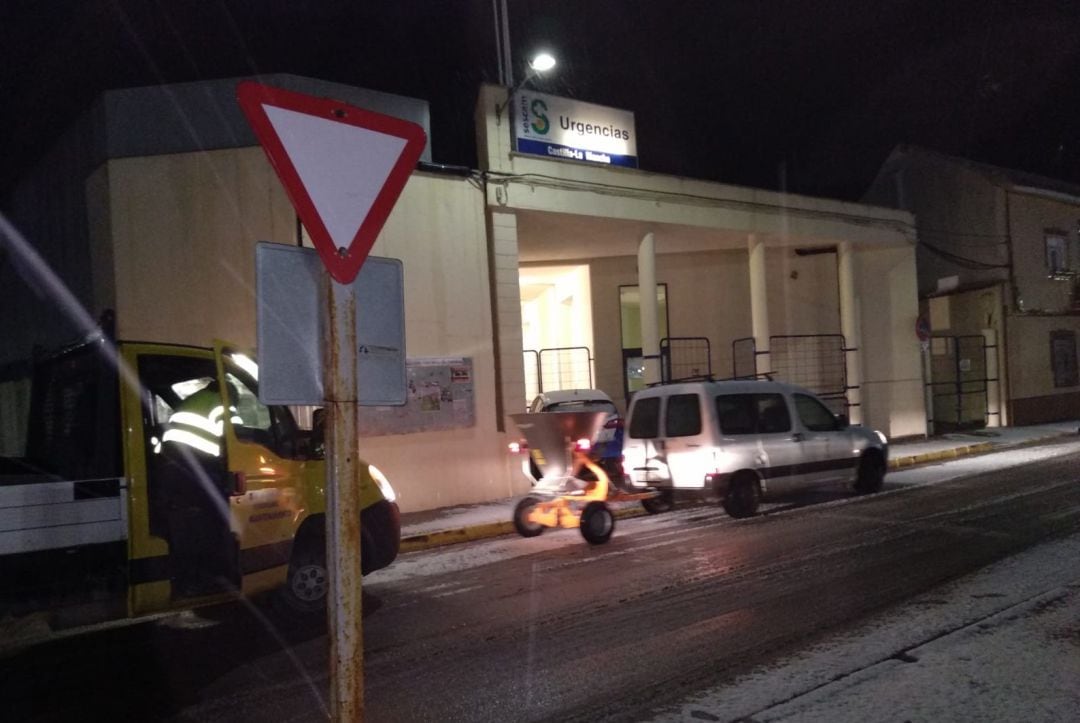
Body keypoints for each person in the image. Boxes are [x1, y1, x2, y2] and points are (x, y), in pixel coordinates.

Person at [158, 380, 242, 596]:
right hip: (198, 469)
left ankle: (190, 576)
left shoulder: (194, 400)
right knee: (220, 516)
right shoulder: (223, 407)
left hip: (173, 468)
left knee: (188, 521)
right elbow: (236, 442)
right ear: (229, 394)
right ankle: (218, 572)